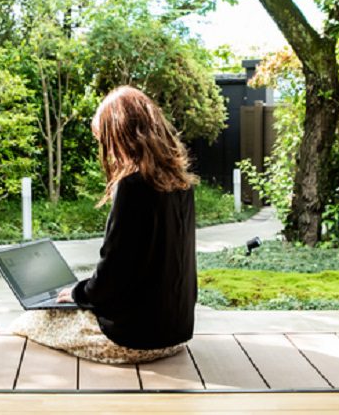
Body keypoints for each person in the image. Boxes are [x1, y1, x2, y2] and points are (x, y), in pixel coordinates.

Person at [10, 85, 198, 364]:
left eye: (105, 140)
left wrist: (77, 293)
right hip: (177, 333)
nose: (107, 151)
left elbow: (114, 272)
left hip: (136, 339)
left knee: (31, 320)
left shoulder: (133, 187)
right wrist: (86, 290)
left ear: (123, 135)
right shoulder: (181, 184)